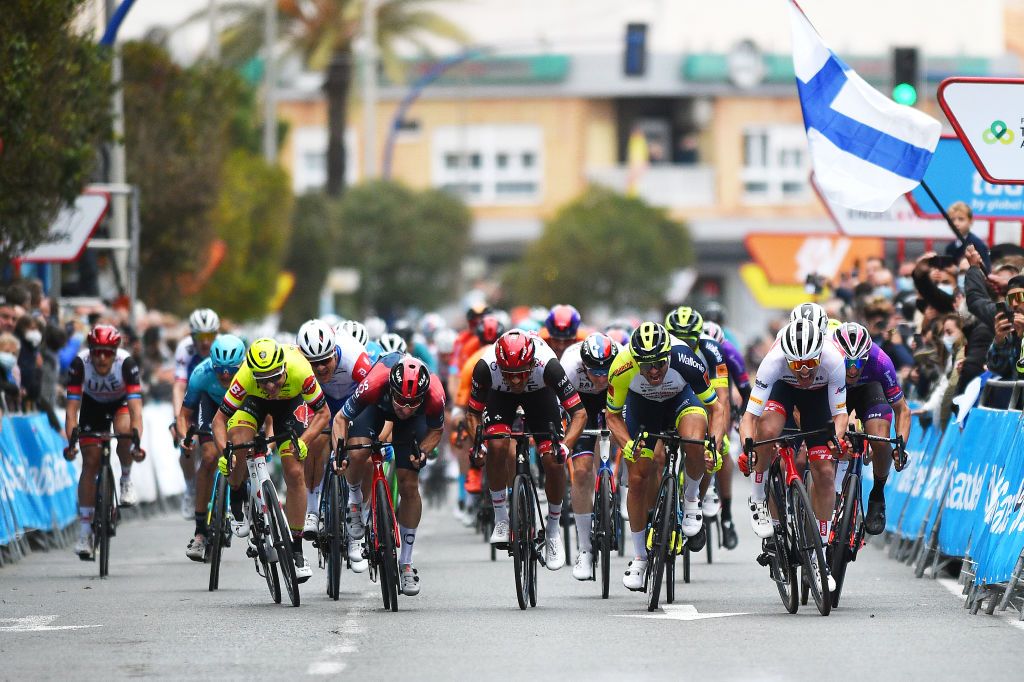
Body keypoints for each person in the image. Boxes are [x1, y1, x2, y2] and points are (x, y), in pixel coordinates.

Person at [605, 322, 727, 590]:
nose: (653, 371)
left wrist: (714, 445)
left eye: (659, 364)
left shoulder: (686, 359)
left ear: (668, 355)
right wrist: (626, 444)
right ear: (636, 360)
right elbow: (612, 415)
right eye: (646, 365)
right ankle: (639, 558)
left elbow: (716, 408)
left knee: (695, 440)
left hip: (680, 400)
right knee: (637, 478)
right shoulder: (622, 367)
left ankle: (692, 499)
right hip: (642, 407)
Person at [740, 319, 849, 591]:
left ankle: (819, 557)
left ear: (819, 356)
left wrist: (835, 440)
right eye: (796, 364)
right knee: (767, 428)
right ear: (785, 358)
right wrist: (747, 447)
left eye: (810, 364)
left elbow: (840, 414)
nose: (803, 371)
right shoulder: (774, 360)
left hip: (817, 400)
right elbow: (749, 418)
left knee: (824, 472)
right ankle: (758, 498)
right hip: (783, 393)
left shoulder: (834, 359)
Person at [465, 330, 588, 571]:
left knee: (553, 461)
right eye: (509, 375)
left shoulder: (549, 366)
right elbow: (472, 414)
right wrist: (478, 444)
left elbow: (579, 413)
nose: (516, 381)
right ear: (499, 366)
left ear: (532, 363)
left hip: (540, 396)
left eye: (521, 374)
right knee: (497, 445)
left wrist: (565, 447)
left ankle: (553, 531)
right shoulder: (485, 367)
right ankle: (501, 518)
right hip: (500, 398)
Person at [212, 338, 330, 583]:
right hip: (253, 403)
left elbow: (323, 413)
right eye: (263, 380)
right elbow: (219, 421)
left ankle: (296, 550)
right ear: (253, 374)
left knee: (295, 472)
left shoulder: (300, 370)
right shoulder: (245, 377)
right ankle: (236, 494)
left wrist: (304, 441)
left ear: (284, 368)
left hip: (290, 405)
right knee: (239, 442)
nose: (270, 385)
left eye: (275, 377)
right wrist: (226, 452)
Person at [332, 355, 446, 596]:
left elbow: (436, 430)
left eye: (412, 402)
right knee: (359, 450)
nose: (404, 408)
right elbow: (341, 418)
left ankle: (405, 563)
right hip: (376, 409)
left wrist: (423, 452)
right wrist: (339, 452)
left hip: (413, 426)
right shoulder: (375, 383)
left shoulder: (435, 394)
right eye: (400, 400)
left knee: (409, 485)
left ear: (423, 396)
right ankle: (354, 502)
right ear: (391, 389)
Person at [63, 325, 145, 559]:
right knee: (90, 462)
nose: (101, 357)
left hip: (120, 404)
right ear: (90, 350)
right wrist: (72, 444)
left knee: (123, 431)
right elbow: (71, 412)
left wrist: (136, 442)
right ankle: (85, 531)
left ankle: (126, 478)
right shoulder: (80, 364)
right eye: (97, 351)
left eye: (107, 352)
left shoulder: (126, 364)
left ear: (115, 352)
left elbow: (136, 411)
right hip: (92, 406)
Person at [296, 319, 371, 571]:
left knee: (361, 451)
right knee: (315, 441)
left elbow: (372, 398)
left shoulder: (356, 358)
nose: (319, 368)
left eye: (325, 361)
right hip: (320, 401)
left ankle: (354, 515)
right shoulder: (297, 362)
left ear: (334, 351)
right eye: (312, 363)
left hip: (354, 399)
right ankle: (313, 508)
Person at [665, 306, 739, 549]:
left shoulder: (713, 349)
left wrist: (718, 437)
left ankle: (710, 504)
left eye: (690, 339)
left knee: (715, 448)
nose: (684, 343)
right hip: (668, 397)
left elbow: (722, 398)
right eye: (679, 338)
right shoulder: (663, 351)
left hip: (704, 399)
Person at [832, 322, 911, 534]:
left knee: (880, 439)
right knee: (829, 437)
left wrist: (900, 446)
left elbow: (902, 410)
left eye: (859, 361)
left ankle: (877, 493)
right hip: (837, 391)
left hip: (870, 390)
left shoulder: (880, 360)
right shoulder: (827, 359)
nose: (853, 368)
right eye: (848, 361)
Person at [177, 335, 246, 561]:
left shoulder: (250, 373)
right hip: (212, 407)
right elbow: (184, 415)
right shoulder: (201, 373)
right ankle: (199, 532)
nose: (225, 375)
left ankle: (239, 498)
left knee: (242, 452)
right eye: (220, 370)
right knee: (208, 458)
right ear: (212, 365)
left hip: (240, 408)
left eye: (230, 371)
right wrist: (185, 437)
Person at [560, 332, 619, 579]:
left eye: (606, 372)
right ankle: (585, 549)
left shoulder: (622, 362)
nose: (600, 378)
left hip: (615, 398)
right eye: (594, 372)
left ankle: (622, 486)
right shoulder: (569, 365)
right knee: (582, 470)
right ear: (584, 366)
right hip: (580, 404)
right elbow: (560, 408)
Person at [172, 308, 220, 519]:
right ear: (192, 336)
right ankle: (191, 487)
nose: (205, 342)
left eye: (210, 336)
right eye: (200, 337)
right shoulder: (185, 349)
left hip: (216, 398)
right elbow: (179, 386)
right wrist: (177, 418)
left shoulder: (222, 348)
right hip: (192, 399)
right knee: (187, 445)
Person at [987, 275, 1024, 380]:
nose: (1015, 304)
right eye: (1010, 299)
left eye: (1019, 297)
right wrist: (999, 343)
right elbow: (998, 370)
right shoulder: (1012, 331)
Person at [944, 201, 991, 272]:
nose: (956, 223)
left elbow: (986, 270)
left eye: (961, 219)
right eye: (952, 220)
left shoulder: (977, 244)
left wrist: (957, 270)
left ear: (970, 221)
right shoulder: (950, 247)